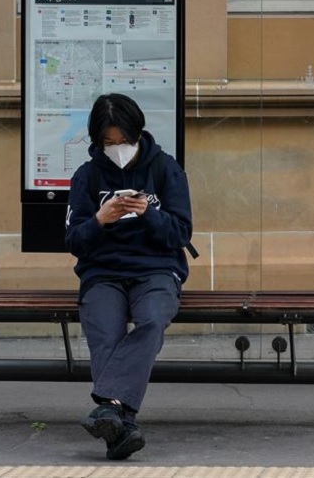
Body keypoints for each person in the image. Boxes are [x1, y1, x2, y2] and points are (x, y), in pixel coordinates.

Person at [65, 93, 194, 461]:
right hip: (103, 272)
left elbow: (181, 234)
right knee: (104, 332)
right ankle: (122, 427)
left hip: (156, 270)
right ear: (97, 141)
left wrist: (147, 213)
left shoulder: (165, 169)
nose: (117, 149)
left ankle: (110, 410)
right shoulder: (87, 177)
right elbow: (75, 241)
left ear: (138, 134)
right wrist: (100, 220)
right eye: (109, 143)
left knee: (152, 320)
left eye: (123, 141)